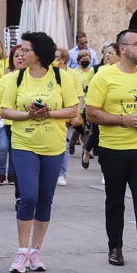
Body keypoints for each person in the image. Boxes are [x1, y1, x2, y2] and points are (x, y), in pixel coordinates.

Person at [86, 29, 137, 270]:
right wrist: (123, 120)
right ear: (122, 48)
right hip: (113, 149)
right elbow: (92, 113)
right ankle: (115, 247)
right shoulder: (103, 76)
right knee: (115, 201)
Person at [0, 32, 78, 273]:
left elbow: (73, 110)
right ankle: (21, 252)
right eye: (20, 49)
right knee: (29, 197)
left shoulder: (60, 76)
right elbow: (4, 111)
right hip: (25, 144)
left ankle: (36, 251)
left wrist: (48, 114)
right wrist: (29, 115)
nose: (20, 53)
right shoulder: (17, 77)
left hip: (54, 146)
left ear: (39, 53)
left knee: (45, 200)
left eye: (25, 49)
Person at [82, 43, 120, 169]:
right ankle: (87, 150)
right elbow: (89, 88)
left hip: (116, 110)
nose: (107, 55)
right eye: (106, 52)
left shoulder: (123, 71)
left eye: (111, 53)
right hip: (99, 110)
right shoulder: (98, 69)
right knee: (96, 134)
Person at [0, 45, 24, 187]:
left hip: (24, 124)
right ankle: (1, 174)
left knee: (14, 151)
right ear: (12, 59)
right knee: (4, 147)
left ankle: (11, 175)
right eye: (16, 56)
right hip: (7, 122)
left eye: (22, 55)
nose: (20, 58)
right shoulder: (7, 78)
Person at [55, 47, 85, 186]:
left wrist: (76, 113)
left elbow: (79, 96)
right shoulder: (50, 72)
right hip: (54, 113)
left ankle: (62, 173)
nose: (55, 60)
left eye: (57, 57)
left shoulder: (72, 74)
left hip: (67, 113)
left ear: (64, 59)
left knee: (65, 145)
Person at [68, 49, 91, 155]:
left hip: (90, 102)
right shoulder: (75, 73)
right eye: (84, 59)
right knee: (78, 127)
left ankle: (86, 149)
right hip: (80, 102)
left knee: (88, 127)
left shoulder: (92, 72)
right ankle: (72, 142)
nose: (86, 61)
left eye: (88, 59)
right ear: (79, 60)